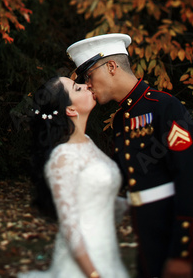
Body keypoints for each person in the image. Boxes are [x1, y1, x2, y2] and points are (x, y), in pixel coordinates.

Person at [66, 33, 193, 278]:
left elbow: (190, 181)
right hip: (152, 243)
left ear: (111, 67)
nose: (87, 84)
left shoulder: (164, 107)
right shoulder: (122, 119)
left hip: (187, 247)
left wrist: (182, 254)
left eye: (89, 76)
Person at [19, 76, 130, 278]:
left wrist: (139, 204)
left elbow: (97, 200)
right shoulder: (63, 158)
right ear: (70, 110)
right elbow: (70, 226)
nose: (87, 86)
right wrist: (94, 274)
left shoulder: (87, 142)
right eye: (78, 89)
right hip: (82, 265)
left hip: (108, 253)